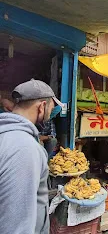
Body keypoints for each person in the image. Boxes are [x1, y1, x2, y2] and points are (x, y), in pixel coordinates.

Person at [0, 79, 63, 234]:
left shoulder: (6, 134)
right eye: (50, 110)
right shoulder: (24, 148)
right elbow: (16, 224)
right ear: (41, 107)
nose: (49, 116)